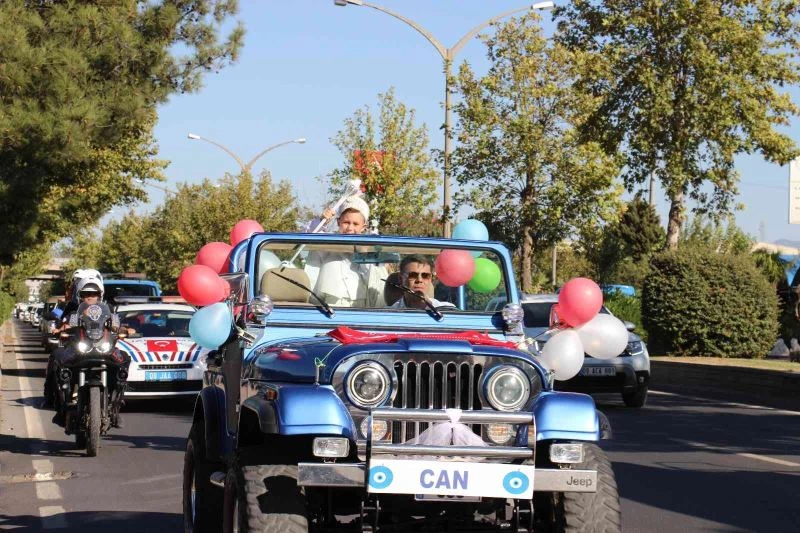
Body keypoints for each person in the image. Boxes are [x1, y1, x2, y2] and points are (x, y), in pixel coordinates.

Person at [50, 277, 130, 429]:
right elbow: (69, 324)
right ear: (81, 295)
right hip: (81, 348)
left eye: (94, 294)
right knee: (59, 362)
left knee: (124, 360)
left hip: (103, 347)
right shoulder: (76, 310)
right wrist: (60, 330)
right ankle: (60, 405)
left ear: (100, 295)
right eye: (86, 293)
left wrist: (124, 331)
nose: (90, 297)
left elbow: (116, 326)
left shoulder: (109, 309)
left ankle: (116, 405)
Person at [303, 196, 386, 307]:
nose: (350, 228)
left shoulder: (369, 245)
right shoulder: (328, 241)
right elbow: (307, 237)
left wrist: (364, 253)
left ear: (364, 227)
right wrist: (321, 221)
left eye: (355, 224)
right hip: (328, 305)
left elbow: (375, 277)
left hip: (359, 306)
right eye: (346, 222)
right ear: (338, 222)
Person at [390, 255, 455, 310]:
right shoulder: (388, 314)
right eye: (413, 275)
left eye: (425, 276)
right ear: (401, 279)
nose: (419, 280)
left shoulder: (447, 310)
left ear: (430, 280)